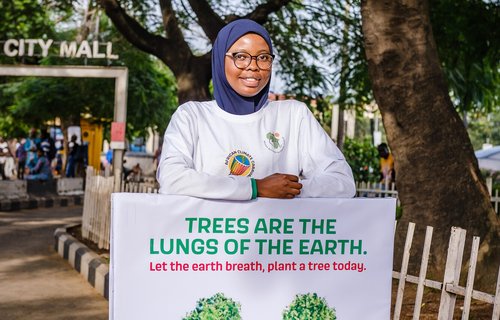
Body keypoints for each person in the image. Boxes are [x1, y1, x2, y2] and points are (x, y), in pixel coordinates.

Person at [157, 19, 355, 200]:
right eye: (240, 56)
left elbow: (342, 182)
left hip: (277, 239)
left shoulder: (294, 116)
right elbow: (171, 178)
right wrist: (255, 188)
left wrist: (288, 188)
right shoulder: (191, 117)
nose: (253, 66)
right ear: (219, 59)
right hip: (211, 239)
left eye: (263, 57)